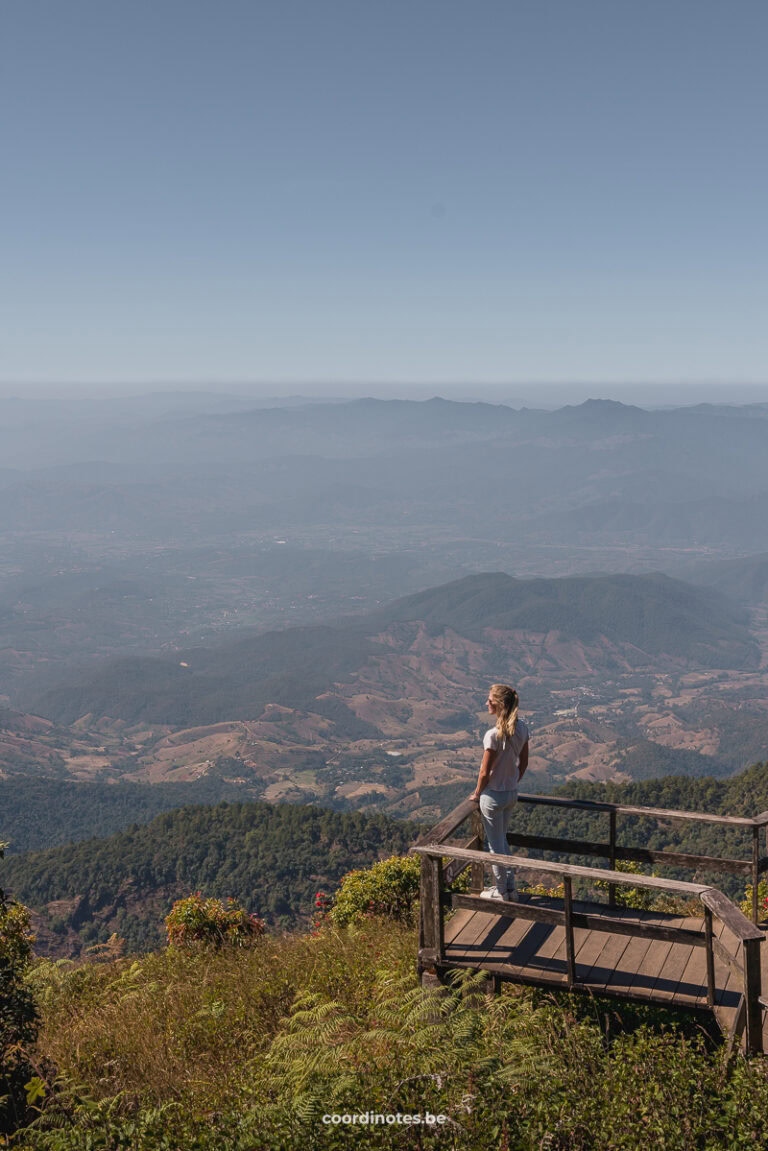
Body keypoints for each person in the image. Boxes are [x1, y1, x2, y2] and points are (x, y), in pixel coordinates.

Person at [470, 683, 529, 901]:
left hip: (492, 795)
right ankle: (511, 888)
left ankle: (501, 891)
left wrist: (477, 793)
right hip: (511, 793)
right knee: (502, 841)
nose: (486, 703)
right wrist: (513, 780)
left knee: (495, 846)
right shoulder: (522, 729)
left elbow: (484, 772)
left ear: (499, 704)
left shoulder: (493, 735)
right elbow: (524, 763)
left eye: (490, 700)